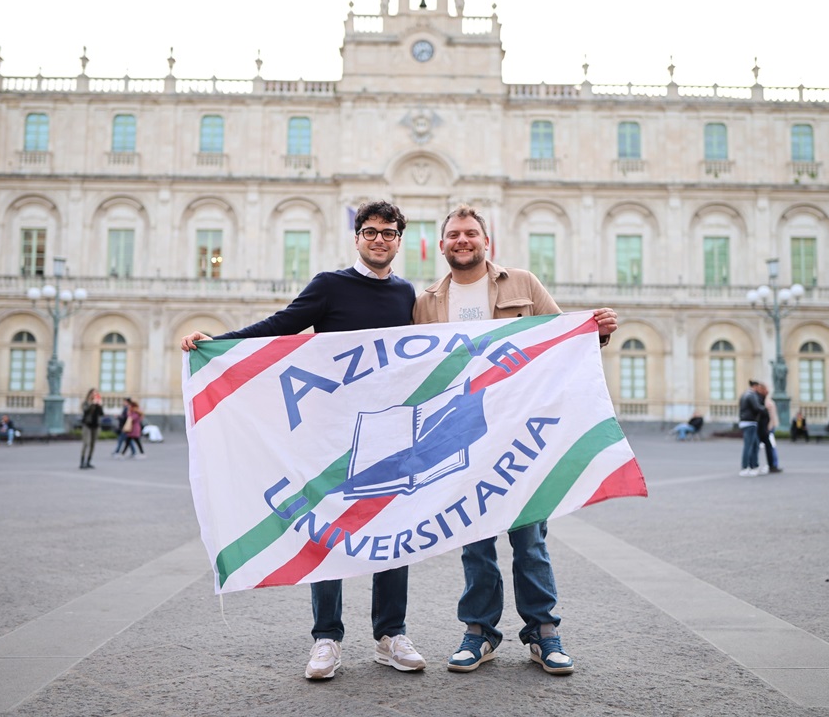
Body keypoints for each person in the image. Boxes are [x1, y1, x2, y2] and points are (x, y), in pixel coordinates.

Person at [179, 200, 426, 681]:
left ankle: (390, 635)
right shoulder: (329, 285)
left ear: (399, 240)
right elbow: (279, 327)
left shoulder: (405, 294)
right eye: (371, 231)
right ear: (357, 236)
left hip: (388, 431)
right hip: (329, 431)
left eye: (389, 232)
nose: (380, 239)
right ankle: (326, 638)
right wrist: (217, 344)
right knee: (327, 531)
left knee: (394, 532)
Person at [411, 204, 619, 676]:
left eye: (470, 233)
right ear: (441, 245)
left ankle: (544, 632)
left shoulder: (521, 284)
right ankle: (478, 632)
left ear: (487, 242)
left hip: (521, 432)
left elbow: (561, 338)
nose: (462, 241)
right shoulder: (426, 303)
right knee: (474, 541)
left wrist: (596, 333)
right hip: (460, 436)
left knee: (530, 538)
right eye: (453, 235)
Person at [738, 380, 765, 476]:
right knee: (749, 446)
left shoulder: (744, 394)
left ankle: (754, 466)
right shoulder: (751, 395)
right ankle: (745, 467)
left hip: (745, 422)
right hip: (750, 422)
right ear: (755, 386)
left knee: (755, 444)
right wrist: (765, 408)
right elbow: (757, 407)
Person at [758, 384, 782, 473]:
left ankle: (773, 464)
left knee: (771, 447)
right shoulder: (769, 401)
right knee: (771, 446)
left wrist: (769, 427)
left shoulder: (767, 403)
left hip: (768, 428)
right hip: (770, 427)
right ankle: (773, 464)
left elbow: (771, 417)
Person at [79, 389, 104, 469]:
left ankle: (88, 461)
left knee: (93, 445)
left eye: (96, 393)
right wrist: (92, 404)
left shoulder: (98, 403)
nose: (94, 395)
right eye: (93, 393)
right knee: (86, 443)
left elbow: (101, 414)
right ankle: (82, 462)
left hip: (95, 426)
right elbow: (85, 411)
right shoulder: (86, 403)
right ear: (89, 394)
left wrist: (99, 405)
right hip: (87, 425)